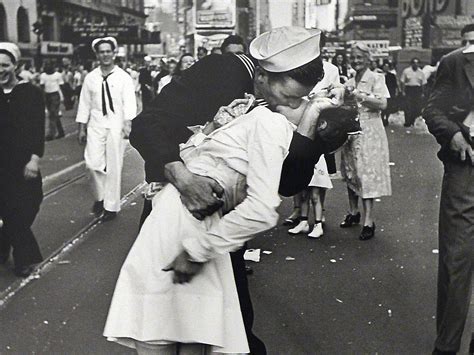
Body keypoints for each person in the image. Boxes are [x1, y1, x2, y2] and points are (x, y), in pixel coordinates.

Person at [106, 26, 349, 354]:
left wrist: (311, 123)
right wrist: (183, 178)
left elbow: (288, 183)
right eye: (288, 95)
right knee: (165, 329)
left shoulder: (292, 112)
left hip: (220, 225)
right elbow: (147, 124)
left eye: (300, 98)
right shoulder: (221, 72)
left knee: (216, 331)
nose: (290, 104)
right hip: (176, 209)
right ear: (262, 74)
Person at [422, 23, 474, 355]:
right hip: (466, 171)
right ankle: (447, 346)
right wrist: (453, 133)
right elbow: (433, 110)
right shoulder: (456, 62)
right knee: (457, 261)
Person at [76, 37, 136, 222]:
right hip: (96, 124)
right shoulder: (91, 78)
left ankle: (110, 206)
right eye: (101, 52)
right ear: (97, 54)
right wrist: (81, 127)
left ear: (114, 53)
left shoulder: (123, 77)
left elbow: (129, 102)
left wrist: (128, 123)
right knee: (92, 164)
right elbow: (84, 103)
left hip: (116, 125)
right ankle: (100, 198)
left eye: (108, 51)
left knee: (114, 166)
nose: (105, 55)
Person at [284, 40, 341, 234]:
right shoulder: (295, 68)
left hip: (321, 127)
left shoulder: (331, 70)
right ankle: (299, 212)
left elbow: (336, 98)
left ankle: (319, 215)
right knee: (296, 169)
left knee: (318, 178)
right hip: (298, 123)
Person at [0, 43, 45, 277]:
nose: (0, 70)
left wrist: (34, 159)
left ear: (15, 66)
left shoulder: (31, 93)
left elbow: (38, 128)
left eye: (4, 65)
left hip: (24, 162)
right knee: (10, 211)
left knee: (28, 206)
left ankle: (4, 239)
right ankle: (23, 259)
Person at [339, 42, 392, 241]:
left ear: (368, 59)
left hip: (370, 130)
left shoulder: (376, 78)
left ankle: (369, 221)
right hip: (351, 130)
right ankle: (354, 212)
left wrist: (359, 95)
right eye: (353, 57)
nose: (356, 61)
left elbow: (383, 103)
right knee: (351, 172)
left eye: (360, 57)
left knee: (366, 173)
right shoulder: (350, 80)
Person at [40, 64, 65, 141]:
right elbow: (42, 86)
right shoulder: (43, 75)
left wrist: (62, 96)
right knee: (53, 114)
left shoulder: (58, 75)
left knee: (52, 114)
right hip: (47, 95)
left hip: (55, 94)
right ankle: (61, 131)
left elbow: (61, 86)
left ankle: (51, 134)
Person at [400, 57, 427, 127]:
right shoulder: (406, 71)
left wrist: (423, 93)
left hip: (417, 90)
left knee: (416, 106)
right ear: (411, 64)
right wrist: (403, 91)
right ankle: (407, 121)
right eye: (414, 63)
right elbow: (402, 81)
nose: (416, 65)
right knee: (408, 106)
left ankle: (412, 120)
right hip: (409, 89)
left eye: (417, 63)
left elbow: (423, 83)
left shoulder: (421, 72)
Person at [381, 61, 399, 126]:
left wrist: (396, 92)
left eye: (387, 66)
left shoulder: (392, 75)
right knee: (382, 106)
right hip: (381, 92)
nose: (386, 67)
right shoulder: (380, 75)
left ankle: (387, 118)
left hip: (390, 92)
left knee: (389, 106)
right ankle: (382, 118)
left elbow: (395, 85)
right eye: (385, 66)